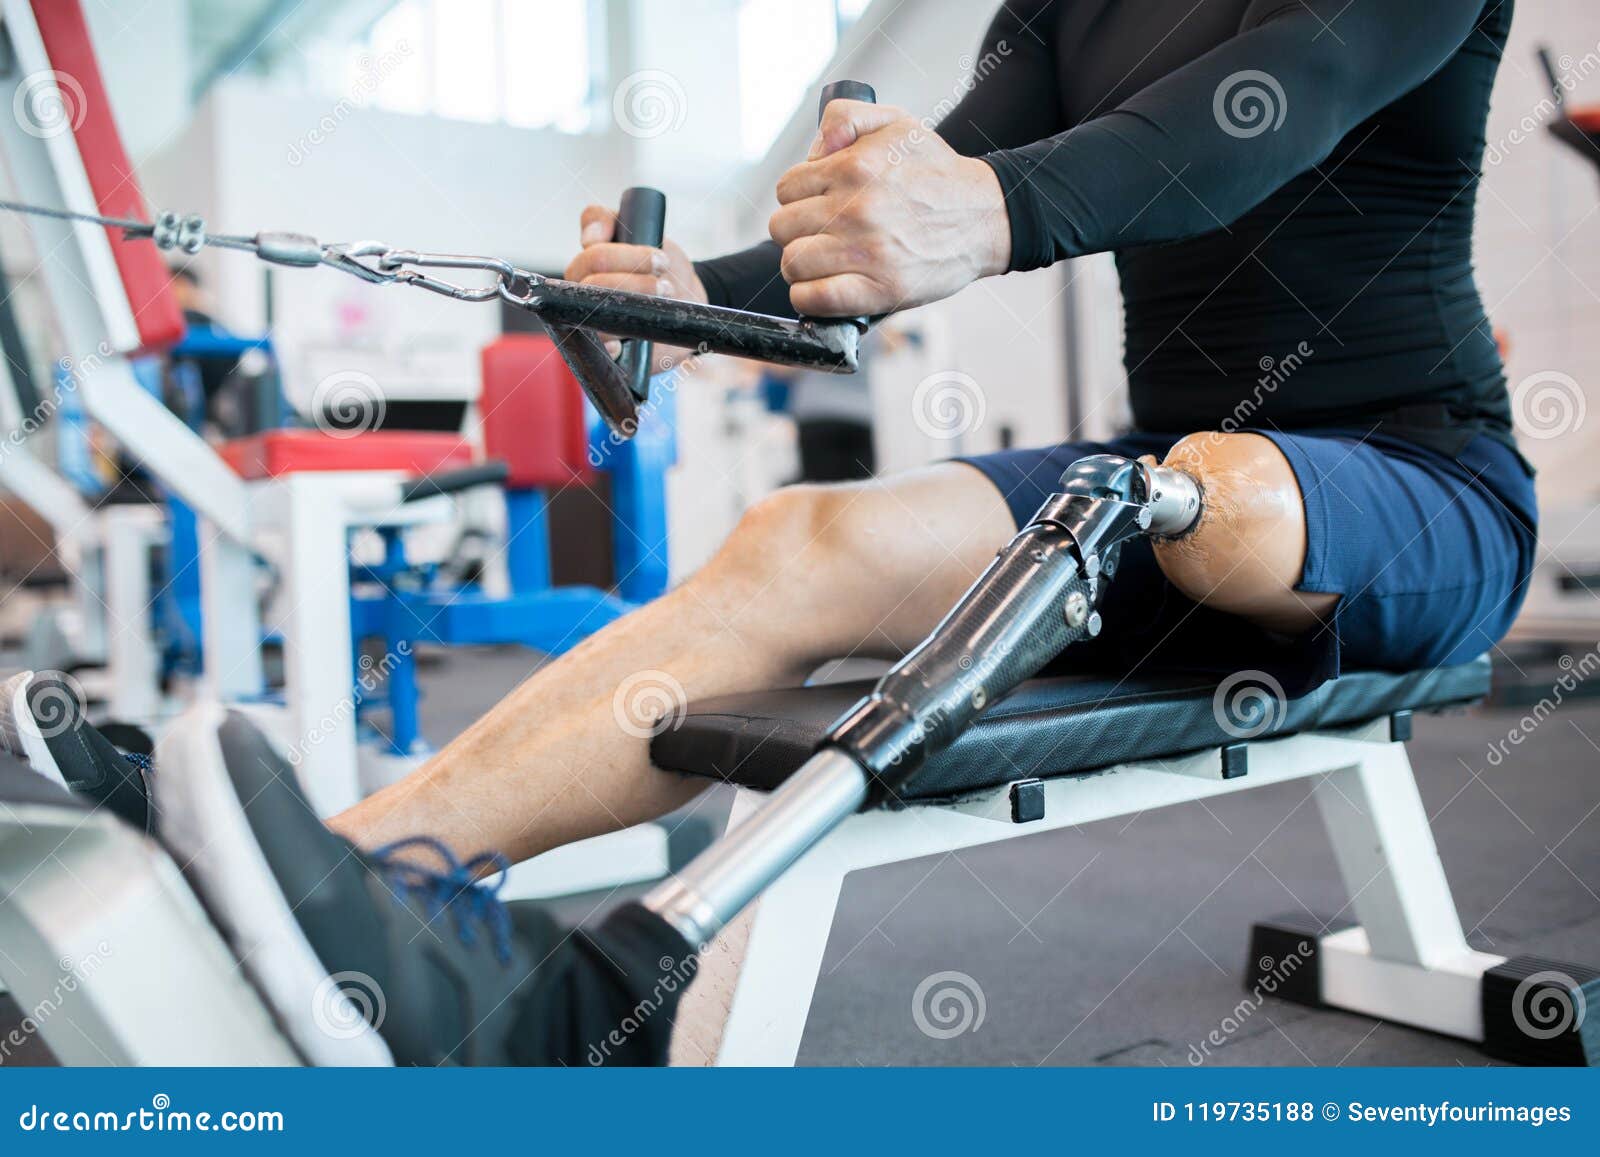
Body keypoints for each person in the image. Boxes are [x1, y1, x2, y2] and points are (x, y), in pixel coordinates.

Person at [175, 0, 1543, 1060]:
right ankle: (314, 884)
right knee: (799, 539)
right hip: (1144, 494)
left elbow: (1271, 110)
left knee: (1228, 496)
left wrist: (993, 215)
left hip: (1415, 478)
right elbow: (932, 182)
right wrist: (687, 293)